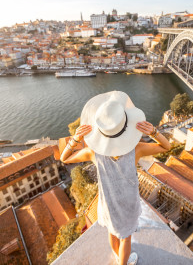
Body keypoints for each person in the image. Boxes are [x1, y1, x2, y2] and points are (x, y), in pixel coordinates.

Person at [60, 91, 171, 265]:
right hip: (128, 203)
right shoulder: (137, 149)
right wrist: (154, 132)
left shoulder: (93, 153)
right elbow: (166, 146)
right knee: (126, 238)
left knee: (112, 233)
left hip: (108, 203)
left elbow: (64, 158)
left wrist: (74, 139)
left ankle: (118, 258)